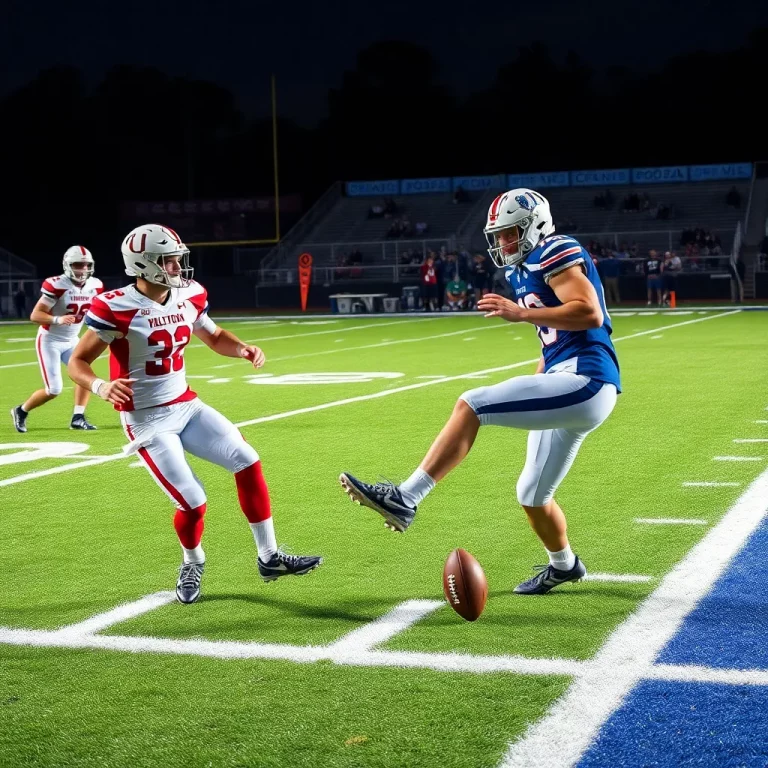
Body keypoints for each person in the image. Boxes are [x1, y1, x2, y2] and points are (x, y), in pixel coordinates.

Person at [340, 188, 620, 595]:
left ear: (534, 225)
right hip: (568, 376)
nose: (503, 242)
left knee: (472, 404)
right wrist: (539, 370)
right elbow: (553, 338)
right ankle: (565, 565)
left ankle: (406, 498)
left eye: (510, 232)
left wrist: (521, 313)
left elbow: (588, 311)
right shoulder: (523, 267)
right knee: (532, 494)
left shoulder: (554, 248)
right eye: (500, 234)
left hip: (586, 378)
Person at [68, 224, 322, 604]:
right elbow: (78, 361)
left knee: (248, 460)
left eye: (176, 258)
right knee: (192, 500)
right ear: (143, 264)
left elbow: (214, 335)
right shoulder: (115, 306)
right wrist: (101, 386)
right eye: (168, 259)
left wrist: (241, 349)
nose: (176, 266)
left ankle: (269, 557)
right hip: (147, 419)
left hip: (186, 405)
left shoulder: (189, 294)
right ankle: (193, 560)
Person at [11, 246, 104, 433]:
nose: (82, 269)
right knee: (54, 389)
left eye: (86, 265)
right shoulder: (57, 285)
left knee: (84, 377)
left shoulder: (96, 285)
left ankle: (78, 417)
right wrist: (57, 319)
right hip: (50, 340)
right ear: (67, 265)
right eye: (78, 265)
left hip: (72, 339)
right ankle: (21, 410)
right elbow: (35, 315)